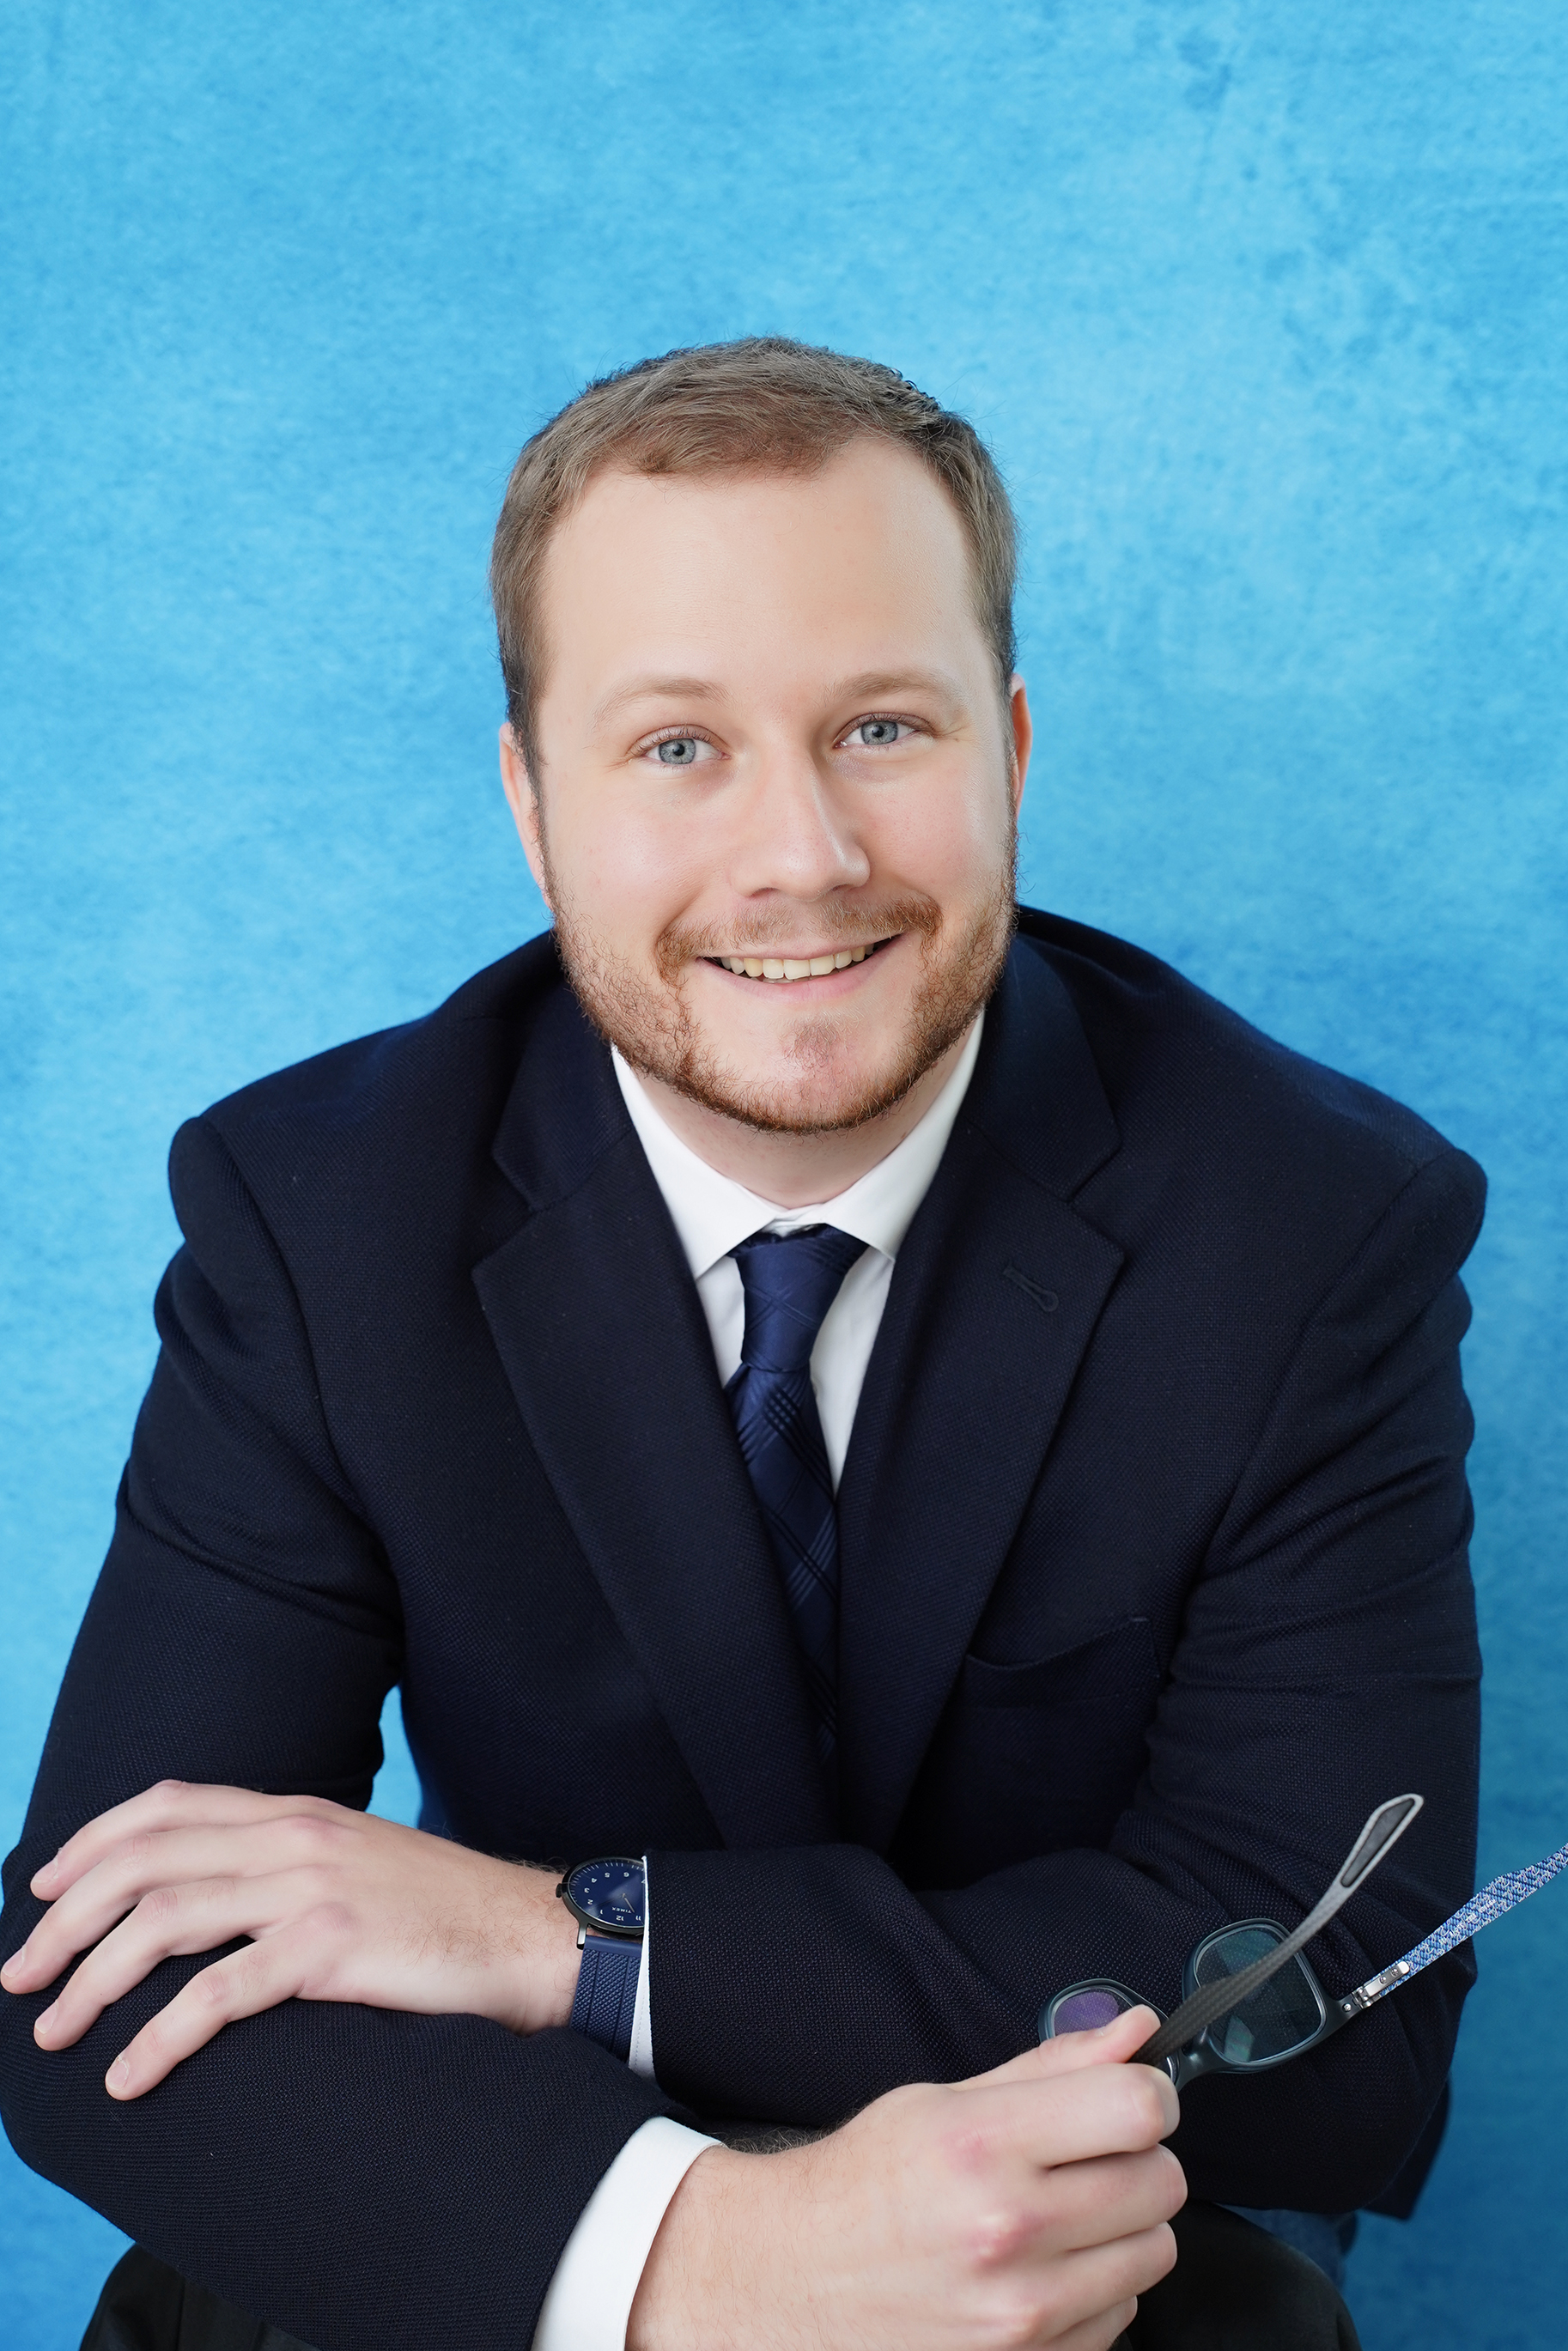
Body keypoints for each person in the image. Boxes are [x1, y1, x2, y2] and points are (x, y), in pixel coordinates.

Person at [0, 340, 1482, 2351]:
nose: (799, 854)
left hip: (1061, 2260)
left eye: (880, 724)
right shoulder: (318, 1215)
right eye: (675, 746)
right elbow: (97, 1981)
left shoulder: (1309, 1232)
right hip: (521, 2211)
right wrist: (699, 2260)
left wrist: (568, 1940)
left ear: (1014, 751)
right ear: (532, 804)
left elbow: (1333, 2021)